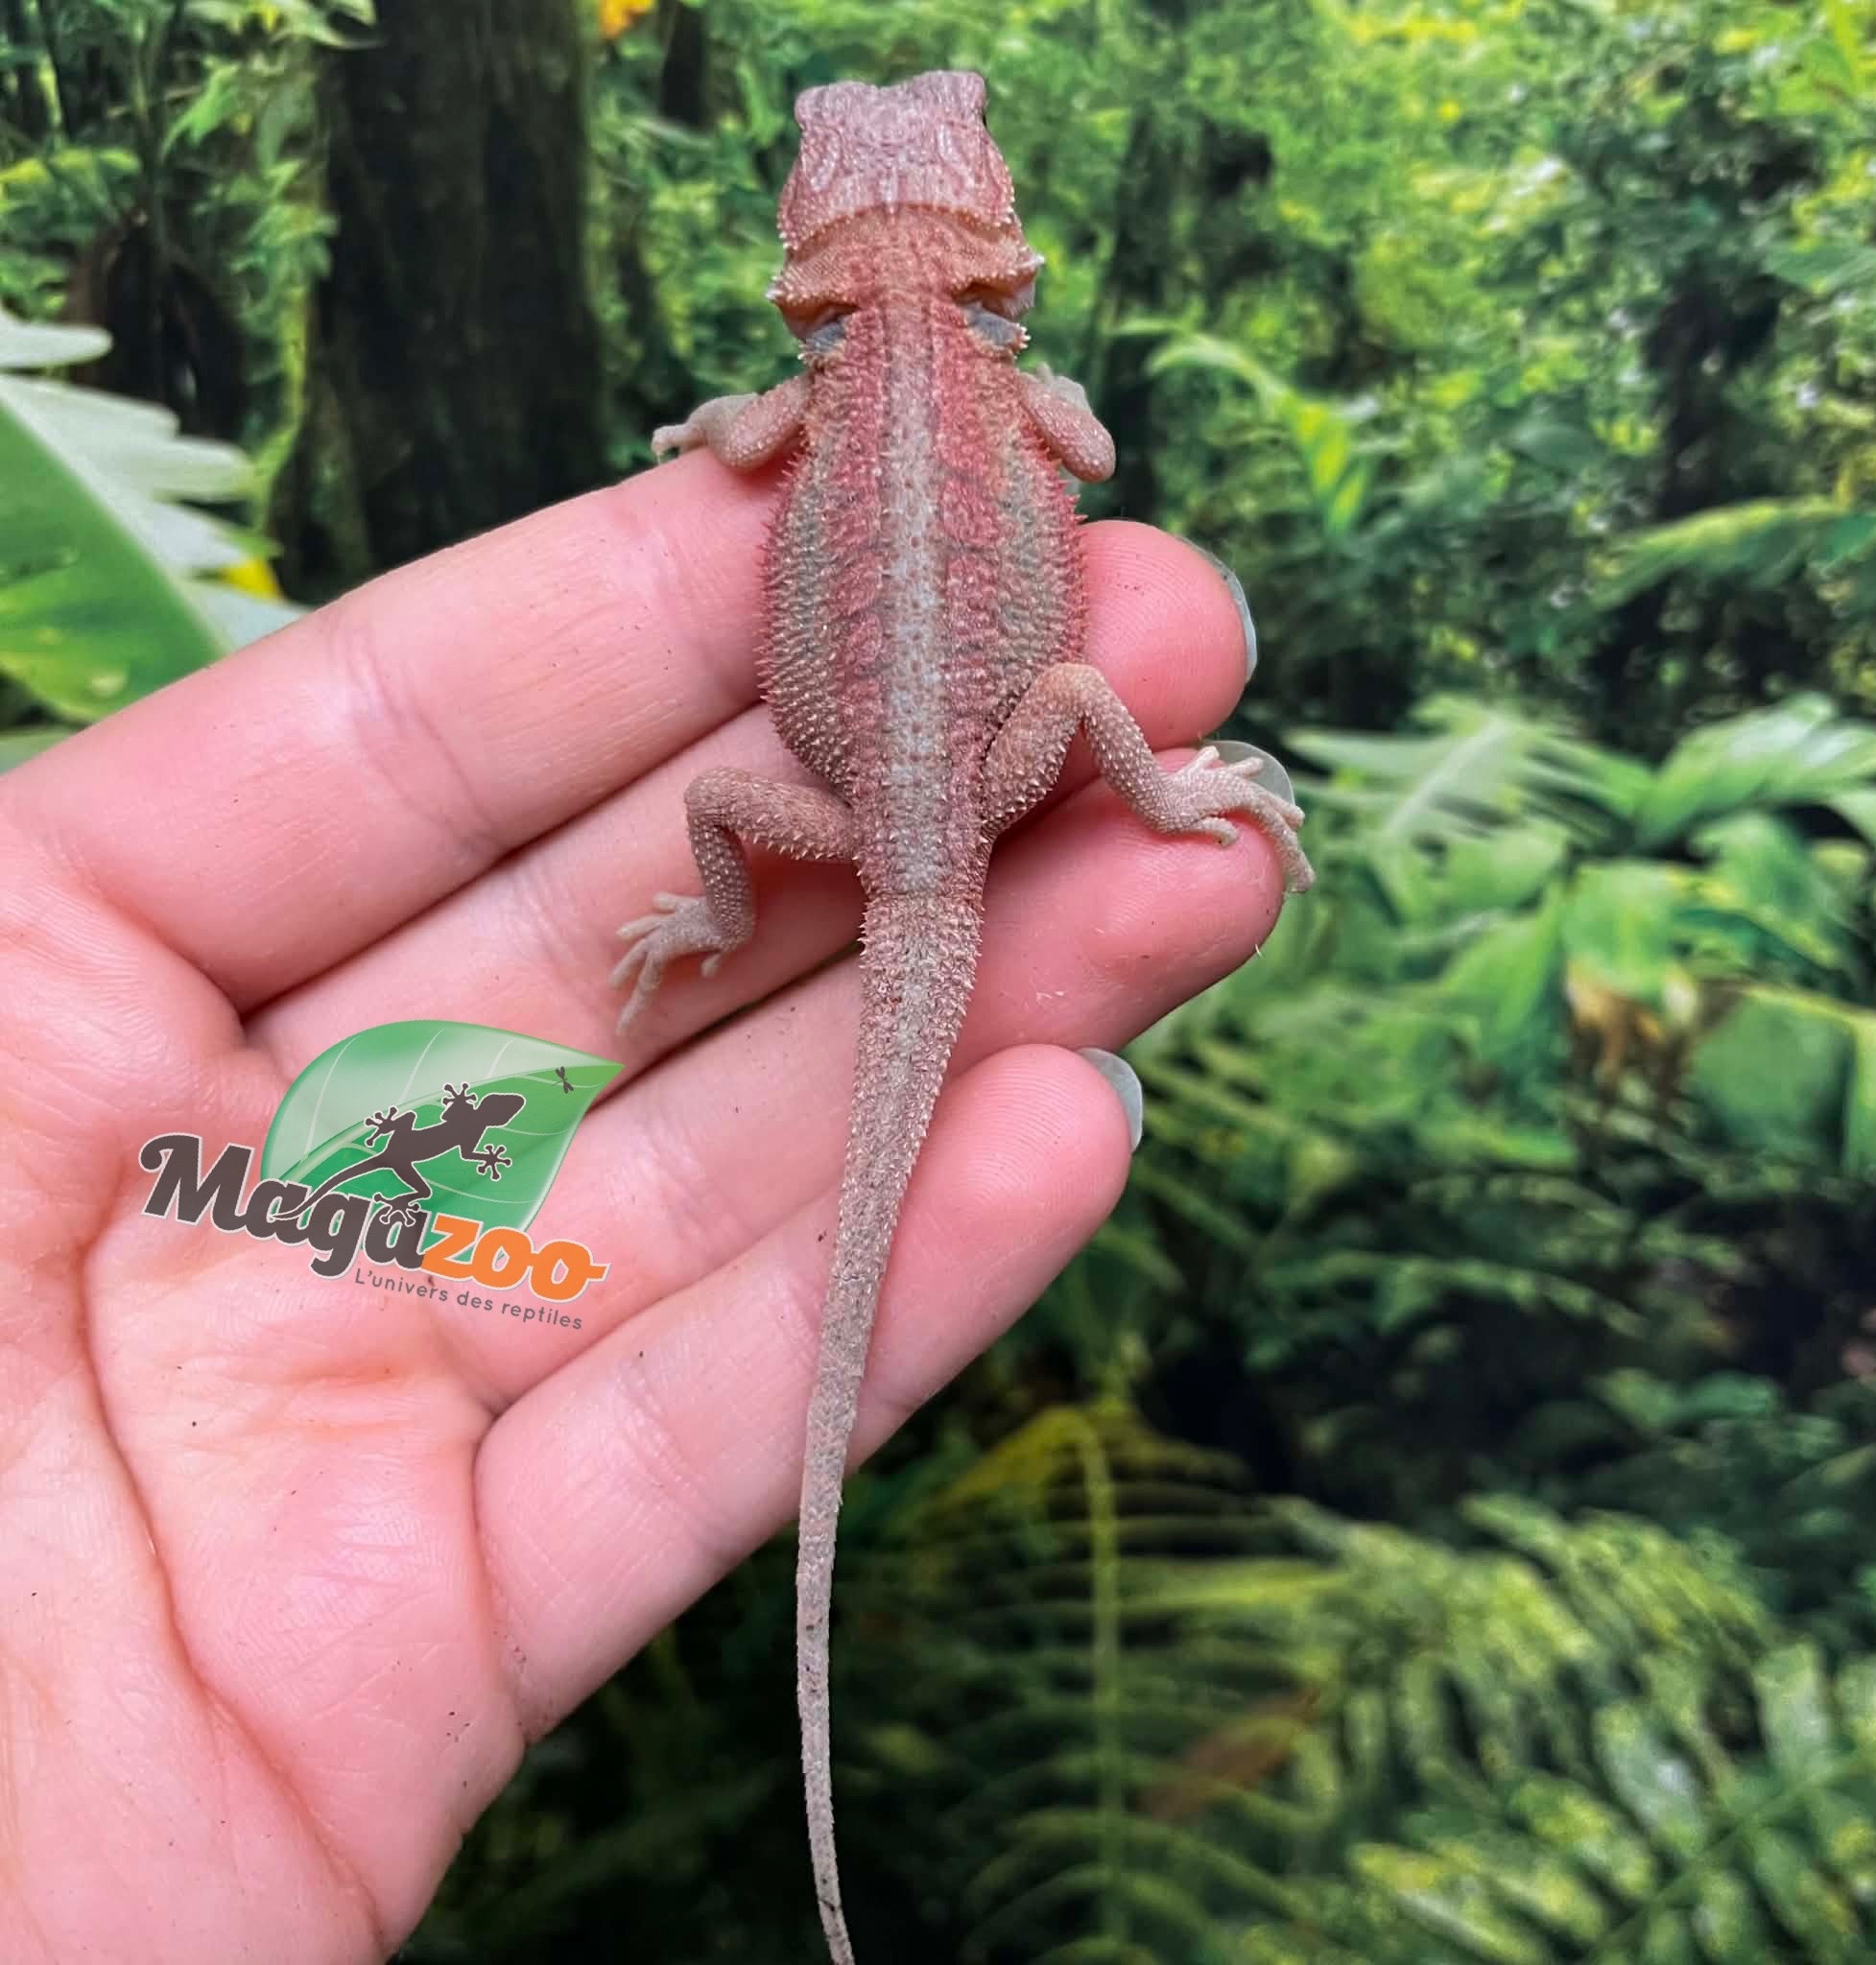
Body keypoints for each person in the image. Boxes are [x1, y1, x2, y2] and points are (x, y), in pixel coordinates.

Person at [0, 454, 1292, 1957]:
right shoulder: (1004, 410)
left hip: (890, 822)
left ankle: (768, 905)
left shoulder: (823, 414)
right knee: (1056, 705)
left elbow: (801, 463)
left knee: (813, 824)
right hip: (940, 802)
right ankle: (1150, 805)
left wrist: (720, 910)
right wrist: (1162, 784)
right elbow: (1082, 460)